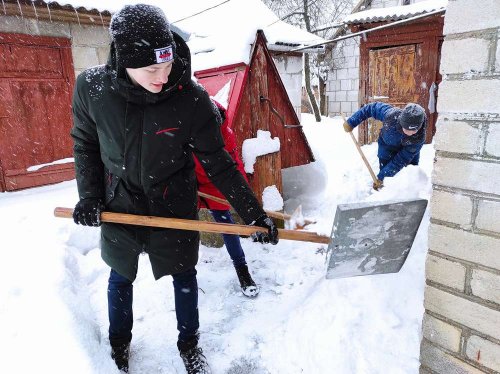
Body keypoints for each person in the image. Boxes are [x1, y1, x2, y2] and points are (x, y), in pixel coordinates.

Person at [70, 4, 278, 374]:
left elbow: (219, 162)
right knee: (120, 276)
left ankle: (189, 344)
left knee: (184, 275)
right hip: (120, 201)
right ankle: (119, 344)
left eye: (167, 65)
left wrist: (254, 214)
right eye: (152, 69)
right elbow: (85, 144)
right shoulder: (93, 89)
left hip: (172, 201)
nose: (163, 76)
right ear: (124, 59)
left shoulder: (190, 98)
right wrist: (89, 196)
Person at [194, 100, 259, 298]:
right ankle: (185, 275)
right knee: (184, 226)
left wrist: (246, 201)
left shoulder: (225, 134)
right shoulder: (189, 125)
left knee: (227, 226)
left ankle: (242, 270)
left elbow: (234, 167)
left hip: (215, 184)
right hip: (191, 183)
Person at [344, 102, 427, 190]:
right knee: (386, 180)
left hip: (408, 155)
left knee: (408, 178)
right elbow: (371, 108)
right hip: (387, 146)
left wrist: (382, 177)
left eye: (414, 130)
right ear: (401, 122)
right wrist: (352, 122)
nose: (409, 133)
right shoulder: (391, 116)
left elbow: (401, 159)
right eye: (406, 128)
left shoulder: (419, 137)